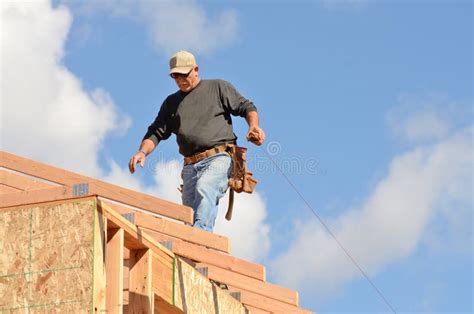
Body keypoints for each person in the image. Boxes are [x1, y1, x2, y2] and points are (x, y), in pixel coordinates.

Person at [129, 50, 265, 232]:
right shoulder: (171, 103)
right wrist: (142, 152)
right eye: (175, 76)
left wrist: (254, 126)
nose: (180, 80)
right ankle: (191, 252)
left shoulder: (217, 87)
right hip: (190, 165)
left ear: (196, 70)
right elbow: (156, 132)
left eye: (184, 75)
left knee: (205, 187)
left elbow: (247, 107)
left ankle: (200, 240)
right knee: (188, 214)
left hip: (219, 157)